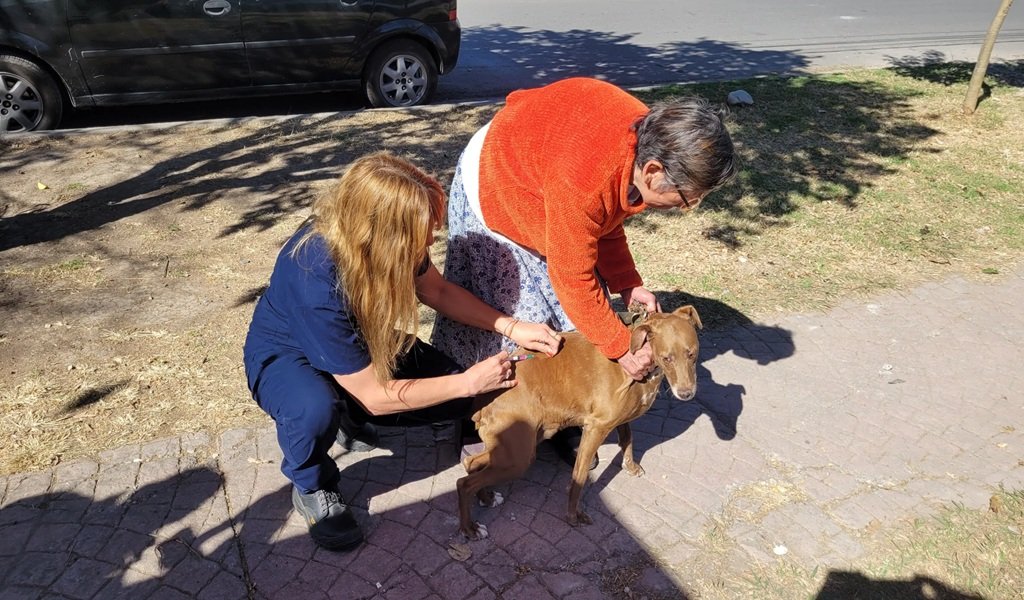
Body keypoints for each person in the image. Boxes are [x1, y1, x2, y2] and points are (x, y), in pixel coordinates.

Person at [243, 152, 562, 551]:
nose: (430, 241)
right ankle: (312, 481)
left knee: (446, 397)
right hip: (286, 353)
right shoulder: (315, 279)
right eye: (423, 233)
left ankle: (346, 410)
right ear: (380, 232)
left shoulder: (384, 238)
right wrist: (467, 382)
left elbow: (439, 291)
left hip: (354, 342)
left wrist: (512, 326)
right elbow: (376, 396)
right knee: (313, 409)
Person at [431, 77, 737, 464]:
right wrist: (619, 348)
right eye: (687, 198)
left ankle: (557, 414)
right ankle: (483, 421)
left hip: (551, 176)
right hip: (501, 176)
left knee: (568, 321)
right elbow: (573, 273)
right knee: (516, 323)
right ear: (654, 170)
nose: (685, 208)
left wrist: (627, 283)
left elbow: (605, 219)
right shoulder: (588, 173)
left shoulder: (644, 147)